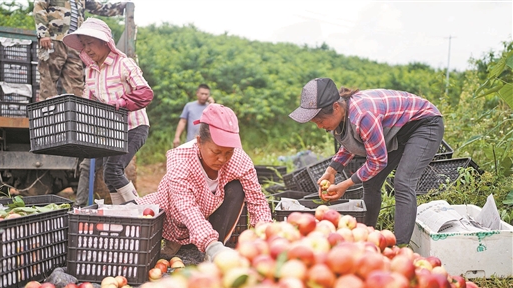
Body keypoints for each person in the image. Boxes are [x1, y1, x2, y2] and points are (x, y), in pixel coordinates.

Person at [288, 78, 444, 246]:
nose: (319, 126)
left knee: (403, 182)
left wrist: (346, 184)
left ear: (336, 107)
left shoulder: (363, 115)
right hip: (399, 131)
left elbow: (378, 161)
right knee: (370, 182)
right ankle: (367, 235)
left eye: (320, 121)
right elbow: (351, 143)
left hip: (424, 123)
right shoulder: (344, 115)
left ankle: (400, 246)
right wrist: (332, 170)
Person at [136, 103, 273, 261]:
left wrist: (265, 230)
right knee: (181, 212)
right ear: (199, 141)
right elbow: (186, 208)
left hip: (208, 212)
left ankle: (216, 242)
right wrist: (210, 244)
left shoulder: (239, 159)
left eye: (228, 152)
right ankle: (179, 242)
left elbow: (257, 199)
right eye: (216, 152)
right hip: (177, 215)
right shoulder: (180, 159)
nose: (222, 159)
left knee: (237, 187)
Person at [34, 0, 127, 207]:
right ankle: (49, 122)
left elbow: (100, 8)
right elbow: (39, 6)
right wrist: (43, 33)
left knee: (76, 85)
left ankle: (76, 122)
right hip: (55, 37)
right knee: (48, 79)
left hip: (75, 44)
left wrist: (122, 6)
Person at [63, 18, 153, 204]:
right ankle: (122, 215)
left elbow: (145, 93)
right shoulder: (91, 71)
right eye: (84, 44)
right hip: (111, 131)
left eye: (90, 43)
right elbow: (90, 101)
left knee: (113, 170)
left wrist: (121, 102)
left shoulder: (124, 64)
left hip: (134, 127)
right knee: (107, 176)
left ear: (105, 42)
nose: (86, 49)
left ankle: (139, 210)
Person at [172, 84, 214, 148]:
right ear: (197, 93)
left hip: (206, 143)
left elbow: (216, 121)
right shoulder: (189, 106)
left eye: (206, 94)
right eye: (202, 94)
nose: (204, 96)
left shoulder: (210, 107)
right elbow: (183, 121)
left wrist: (212, 105)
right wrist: (177, 137)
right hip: (191, 142)